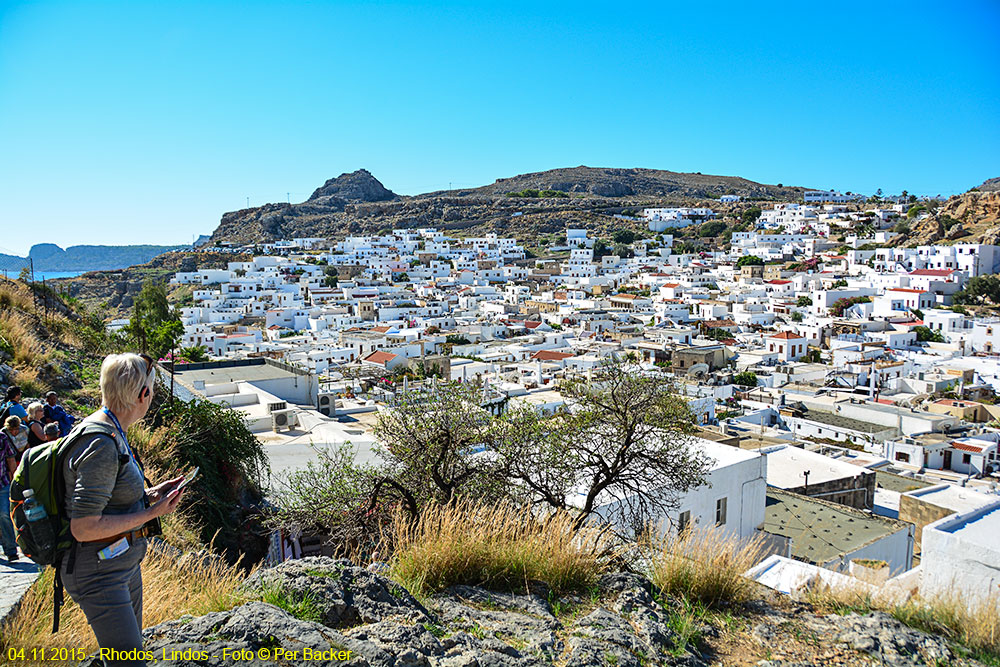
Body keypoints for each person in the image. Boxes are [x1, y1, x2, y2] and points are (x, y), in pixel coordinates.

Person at [62, 353, 184, 667]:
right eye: (152, 391)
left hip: (120, 565)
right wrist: (151, 513)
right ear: (144, 395)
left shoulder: (111, 431)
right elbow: (84, 527)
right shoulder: (102, 443)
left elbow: (109, 500)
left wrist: (149, 495)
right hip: (100, 574)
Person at [0, 424, 18, 561]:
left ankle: (11, 550)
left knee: (5, 514)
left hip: (2, 483)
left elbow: (10, 458)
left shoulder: (2, 438)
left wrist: (14, 479)